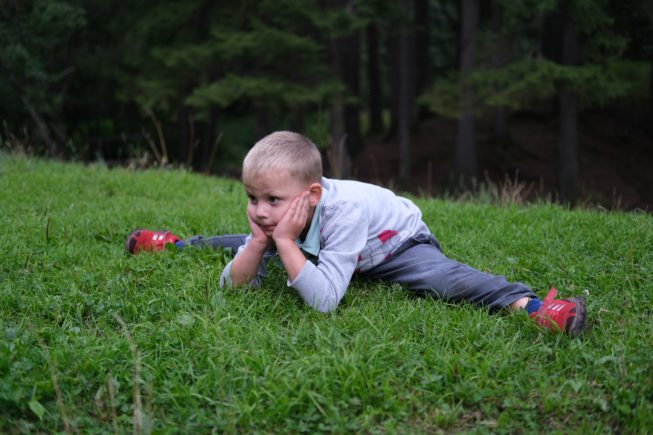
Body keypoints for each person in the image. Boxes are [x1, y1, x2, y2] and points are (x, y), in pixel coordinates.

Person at [126, 131, 587, 336]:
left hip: (394, 247)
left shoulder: (341, 212)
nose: (260, 211)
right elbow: (232, 287)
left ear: (310, 194)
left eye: (272, 201)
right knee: (239, 243)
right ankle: (176, 244)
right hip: (335, 249)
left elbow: (326, 303)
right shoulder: (281, 213)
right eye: (253, 198)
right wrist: (264, 242)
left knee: (442, 280)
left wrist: (283, 243)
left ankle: (535, 306)